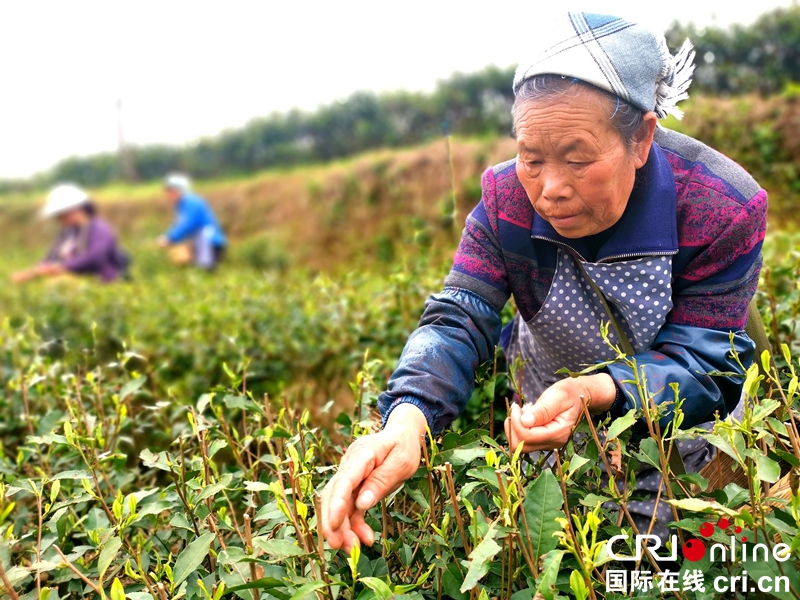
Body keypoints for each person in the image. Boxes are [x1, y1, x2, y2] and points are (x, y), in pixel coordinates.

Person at [321, 11, 768, 552]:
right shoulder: (505, 198)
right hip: (545, 407)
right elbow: (459, 316)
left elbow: (707, 361)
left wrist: (596, 390)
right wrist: (409, 415)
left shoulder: (721, 206)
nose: (549, 189)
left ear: (642, 137)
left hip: (686, 417)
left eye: (578, 159)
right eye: (531, 157)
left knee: (667, 546)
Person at [12, 184, 129, 283]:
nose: (60, 219)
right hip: (71, 284)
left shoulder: (99, 228)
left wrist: (63, 267)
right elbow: (51, 258)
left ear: (77, 209)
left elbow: (95, 257)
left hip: (100, 283)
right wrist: (32, 273)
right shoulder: (66, 233)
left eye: (63, 214)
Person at [157, 173, 227, 270]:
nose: (168, 195)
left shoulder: (191, 202)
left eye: (170, 191)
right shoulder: (181, 205)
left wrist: (170, 238)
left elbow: (187, 225)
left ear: (178, 191)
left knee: (205, 271)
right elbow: (178, 225)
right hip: (201, 242)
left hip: (209, 243)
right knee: (198, 271)